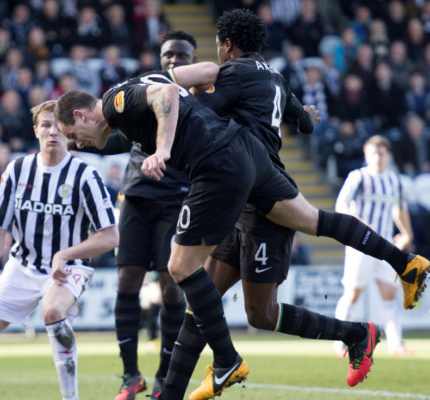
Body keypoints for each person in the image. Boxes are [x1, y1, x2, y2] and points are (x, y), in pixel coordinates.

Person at [55, 12, 427, 398]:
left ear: (228, 44)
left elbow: (184, 96)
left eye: (73, 135)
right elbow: (303, 123)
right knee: (210, 292)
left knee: (203, 279)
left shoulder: (145, 94)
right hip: (256, 171)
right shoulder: (275, 76)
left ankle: (229, 360)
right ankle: (402, 270)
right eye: (169, 57)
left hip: (233, 172)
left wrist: (164, 144)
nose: (77, 144)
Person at [0, 100, 118, 400]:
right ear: (35, 130)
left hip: (67, 269)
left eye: (58, 126)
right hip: (21, 266)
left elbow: (110, 236)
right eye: (45, 125)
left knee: (53, 310)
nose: (52, 131)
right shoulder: (17, 170)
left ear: (68, 131)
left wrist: (65, 254)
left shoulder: (85, 175)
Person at [81, 30, 194, 400]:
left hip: (177, 199)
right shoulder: (148, 90)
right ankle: (131, 375)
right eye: (168, 55)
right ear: (160, 59)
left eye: (181, 55)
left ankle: (163, 375)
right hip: (134, 195)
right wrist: (79, 139)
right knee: (127, 280)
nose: (174, 60)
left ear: (193, 59)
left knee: (170, 286)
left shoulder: (202, 99)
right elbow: (117, 139)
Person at [334, 136, 415, 357]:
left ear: (388, 156)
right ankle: (340, 342)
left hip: (386, 244)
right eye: (373, 154)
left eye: (381, 153)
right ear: (366, 156)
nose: (377, 158)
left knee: (389, 294)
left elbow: (399, 210)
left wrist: (407, 234)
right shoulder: (358, 177)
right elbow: (341, 204)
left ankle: (395, 344)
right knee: (352, 293)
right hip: (360, 245)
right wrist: (358, 223)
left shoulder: (395, 181)